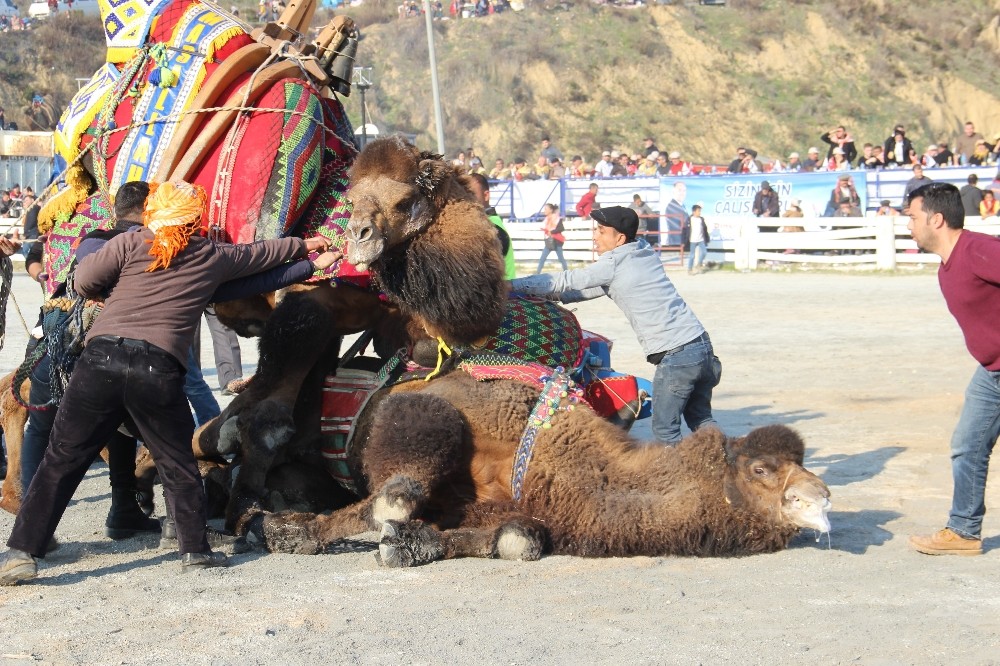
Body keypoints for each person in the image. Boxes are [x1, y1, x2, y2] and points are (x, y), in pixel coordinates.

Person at [0, 180, 333, 585]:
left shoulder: (131, 242)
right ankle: (193, 549)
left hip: (100, 361)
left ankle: (21, 553)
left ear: (153, 213)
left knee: (61, 460)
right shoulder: (209, 255)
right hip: (156, 370)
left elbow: (84, 281)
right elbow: (259, 257)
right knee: (176, 461)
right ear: (194, 221)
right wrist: (308, 250)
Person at [510, 206, 720, 445]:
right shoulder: (642, 251)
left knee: (665, 431)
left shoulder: (614, 262)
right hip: (701, 345)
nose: (595, 236)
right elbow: (589, 289)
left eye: (601, 231)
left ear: (619, 238)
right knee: (702, 420)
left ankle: (674, 481)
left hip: (677, 356)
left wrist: (512, 286)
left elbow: (566, 280)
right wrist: (551, 297)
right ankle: (729, 464)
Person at [906, 182, 1000, 557]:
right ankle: (963, 531)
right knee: (968, 445)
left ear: (937, 218)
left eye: (913, 217)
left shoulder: (979, 250)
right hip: (991, 373)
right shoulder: (948, 268)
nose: (909, 226)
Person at [467, 173, 516, 279]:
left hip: (505, 293)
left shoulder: (493, 228)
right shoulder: (483, 224)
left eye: (472, 194)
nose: (467, 201)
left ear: (486, 195)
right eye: (464, 195)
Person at [536, 203, 567, 273]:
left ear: (550, 210)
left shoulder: (556, 218)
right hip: (549, 241)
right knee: (542, 258)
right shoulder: (546, 219)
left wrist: (552, 232)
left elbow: (561, 228)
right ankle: (537, 273)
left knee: (561, 259)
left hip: (556, 241)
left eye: (546, 209)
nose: (544, 211)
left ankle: (567, 272)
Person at [683, 204, 709, 274]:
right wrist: (683, 241)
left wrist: (707, 238)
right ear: (694, 212)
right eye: (698, 211)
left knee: (704, 252)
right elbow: (684, 230)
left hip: (701, 239)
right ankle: (689, 269)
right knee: (692, 255)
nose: (699, 212)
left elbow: (705, 229)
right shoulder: (689, 219)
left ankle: (698, 264)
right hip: (693, 240)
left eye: (700, 211)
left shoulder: (701, 219)